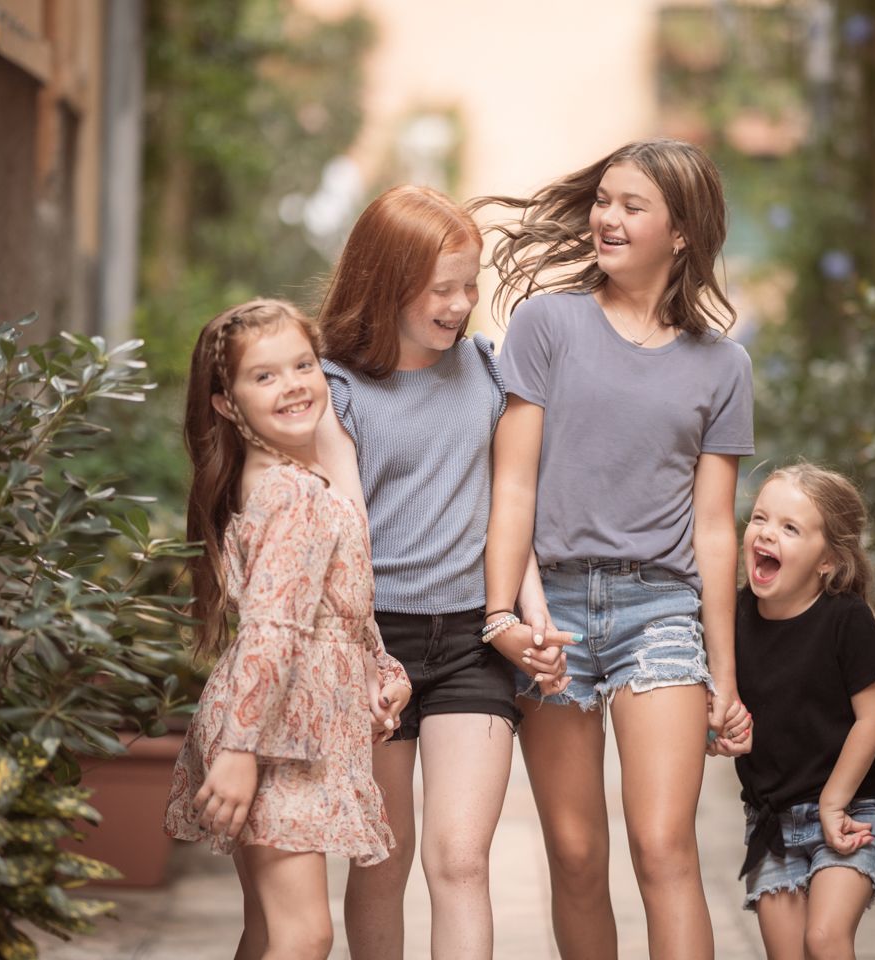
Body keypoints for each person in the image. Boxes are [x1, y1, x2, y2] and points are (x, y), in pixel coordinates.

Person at [475, 138, 755, 959]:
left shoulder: (723, 365)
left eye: (632, 206)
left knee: (663, 847)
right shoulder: (547, 324)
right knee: (574, 853)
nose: (606, 217)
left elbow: (714, 527)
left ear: (681, 233)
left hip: (659, 610)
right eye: (604, 199)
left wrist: (724, 676)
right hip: (550, 609)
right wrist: (506, 615)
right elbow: (514, 486)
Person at [311, 184, 571, 960]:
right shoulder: (335, 389)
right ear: (386, 280)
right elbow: (333, 537)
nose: (462, 304)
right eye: (443, 287)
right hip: (373, 643)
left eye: (471, 284)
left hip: (469, 643)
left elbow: (507, 512)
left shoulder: (487, 370)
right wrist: (355, 655)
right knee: (382, 861)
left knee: (461, 861)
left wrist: (533, 614)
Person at [164, 298, 412, 960]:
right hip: (272, 736)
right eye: (265, 376)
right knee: (304, 934)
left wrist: (378, 672)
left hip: (275, 726)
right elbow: (274, 629)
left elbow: (331, 610)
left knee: (272, 930)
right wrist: (242, 751)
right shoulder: (295, 495)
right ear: (224, 402)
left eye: (303, 365)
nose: (295, 384)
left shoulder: (285, 478)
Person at [712, 463, 875, 960]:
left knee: (825, 939)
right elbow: (717, 707)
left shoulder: (845, 620)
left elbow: (872, 716)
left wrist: (833, 804)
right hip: (771, 824)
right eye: (761, 518)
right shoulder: (732, 617)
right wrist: (717, 733)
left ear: (828, 560)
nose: (767, 533)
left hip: (850, 810)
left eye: (790, 528)